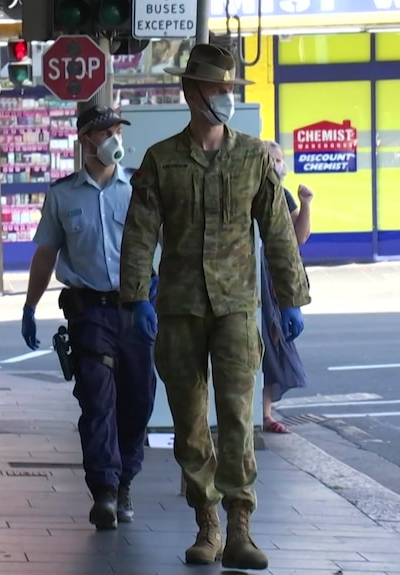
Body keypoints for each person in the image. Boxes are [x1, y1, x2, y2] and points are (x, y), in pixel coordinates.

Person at [118, 45, 311, 570]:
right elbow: (139, 235)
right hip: (179, 309)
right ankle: (207, 525)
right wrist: (136, 296)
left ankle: (241, 527)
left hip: (236, 309)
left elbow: (276, 231)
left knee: (236, 418)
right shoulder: (162, 160)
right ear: (191, 93)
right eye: (218, 90)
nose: (226, 98)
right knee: (188, 420)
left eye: (231, 90)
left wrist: (292, 296)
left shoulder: (251, 157)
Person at [21, 106, 158, 531]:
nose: (114, 139)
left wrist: (160, 297)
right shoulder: (62, 195)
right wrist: (29, 305)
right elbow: (46, 253)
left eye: (117, 131)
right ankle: (103, 489)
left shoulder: (138, 187)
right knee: (97, 401)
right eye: (106, 132)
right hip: (89, 313)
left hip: (135, 308)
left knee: (138, 401)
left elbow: (166, 244)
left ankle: (125, 482)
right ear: (86, 141)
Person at [261, 140, 314, 433]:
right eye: (274, 160)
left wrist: (306, 203)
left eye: (281, 160)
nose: (280, 165)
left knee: (275, 342)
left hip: (276, 279)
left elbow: (299, 236)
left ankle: (266, 413)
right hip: (253, 275)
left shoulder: (283, 196)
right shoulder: (253, 193)